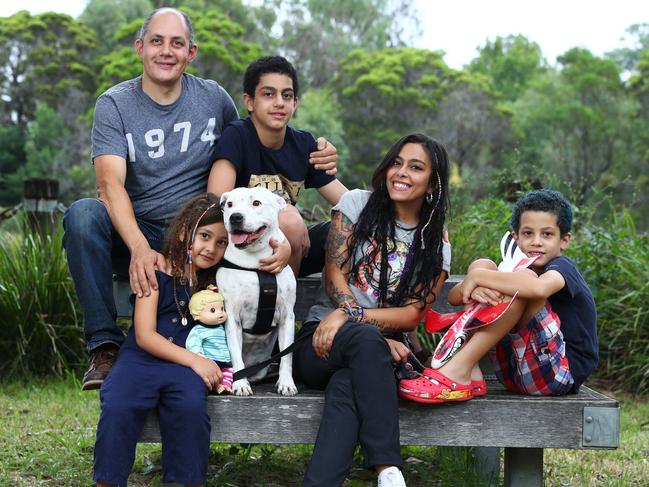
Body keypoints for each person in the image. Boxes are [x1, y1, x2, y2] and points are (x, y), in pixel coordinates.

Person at [62, 8, 337, 390]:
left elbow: (251, 138)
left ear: (191, 53)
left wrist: (315, 151)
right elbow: (109, 187)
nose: (166, 51)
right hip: (138, 233)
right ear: (140, 48)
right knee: (82, 216)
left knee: (329, 227)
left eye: (177, 43)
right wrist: (141, 249)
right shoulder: (115, 105)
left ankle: (336, 334)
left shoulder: (213, 99)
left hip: (203, 236)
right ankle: (105, 347)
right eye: (156, 41)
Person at [293, 133, 452, 487]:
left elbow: (412, 315)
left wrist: (353, 318)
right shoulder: (356, 205)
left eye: (415, 167)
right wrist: (350, 317)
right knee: (365, 343)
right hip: (321, 342)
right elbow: (335, 275)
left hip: (375, 358)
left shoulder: (434, 241)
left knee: (347, 385)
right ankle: (387, 469)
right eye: (397, 162)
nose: (401, 173)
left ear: (433, 183)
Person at [400, 189, 598, 403]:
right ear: (516, 237)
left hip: (558, 373)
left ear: (564, 240)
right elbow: (456, 297)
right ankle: (471, 371)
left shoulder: (564, 267)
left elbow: (539, 289)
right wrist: (477, 278)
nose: (536, 242)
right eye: (528, 233)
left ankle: (456, 369)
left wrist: (480, 279)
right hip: (511, 370)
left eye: (547, 234)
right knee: (485, 264)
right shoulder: (516, 267)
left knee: (522, 281)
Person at [93, 193, 227, 486]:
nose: (212, 248)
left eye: (222, 242)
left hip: (183, 369)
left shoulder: (216, 285)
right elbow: (144, 335)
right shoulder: (155, 270)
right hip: (141, 361)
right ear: (183, 233)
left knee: (190, 410)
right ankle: (108, 480)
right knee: (118, 403)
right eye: (205, 236)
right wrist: (198, 362)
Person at [208, 55, 348, 276]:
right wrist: (286, 214)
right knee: (290, 219)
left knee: (349, 228)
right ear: (249, 101)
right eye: (268, 94)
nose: (279, 102)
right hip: (241, 249)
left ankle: (344, 297)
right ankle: (278, 304)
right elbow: (215, 202)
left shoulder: (304, 144)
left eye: (287, 95)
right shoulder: (237, 136)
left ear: (295, 103)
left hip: (290, 251)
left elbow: (347, 201)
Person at [186, 285, 233, 394]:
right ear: (197, 314)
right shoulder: (198, 330)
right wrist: (200, 356)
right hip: (210, 362)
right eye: (213, 310)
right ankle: (217, 386)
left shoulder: (223, 327)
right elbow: (193, 345)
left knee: (228, 373)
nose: (220, 313)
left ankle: (226, 385)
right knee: (210, 377)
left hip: (225, 361)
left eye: (222, 309)